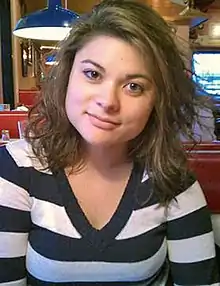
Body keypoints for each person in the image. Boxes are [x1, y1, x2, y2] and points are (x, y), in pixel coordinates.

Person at [0, 0, 219, 285]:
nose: (108, 101)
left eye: (134, 86)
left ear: (156, 102)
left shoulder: (174, 182)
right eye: (93, 74)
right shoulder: (16, 170)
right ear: (67, 77)